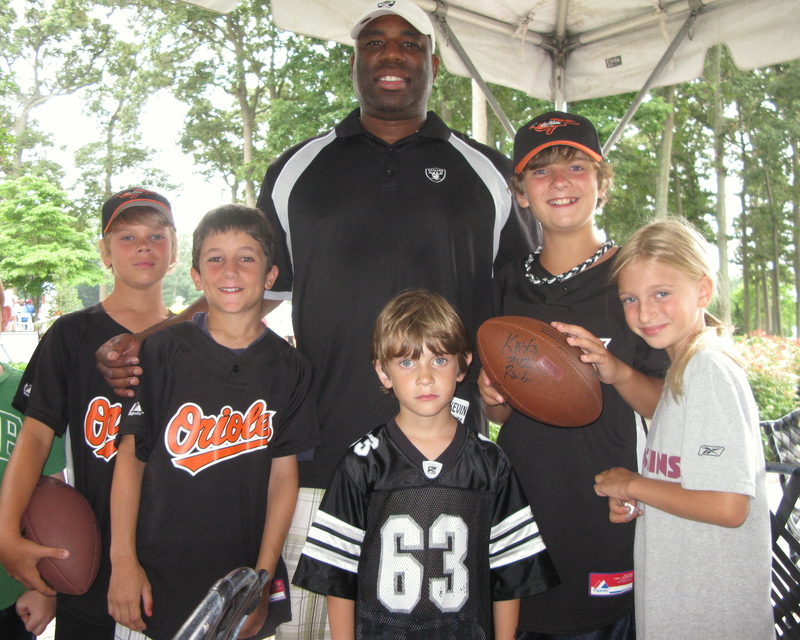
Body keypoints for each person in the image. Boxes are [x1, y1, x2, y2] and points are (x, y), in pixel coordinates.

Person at [95, 2, 537, 637]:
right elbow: (249, 285)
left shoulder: (487, 173)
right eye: (374, 43)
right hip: (319, 464)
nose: (391, 54)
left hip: (451, 462)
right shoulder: (297, 170)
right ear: (353, 61)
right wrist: (154, 338)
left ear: (434, 64)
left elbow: (523, 298)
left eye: (410, 45)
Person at [479, 112, 668, 639]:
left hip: (606, 516)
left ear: (602, 184)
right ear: (521, 193)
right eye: (540, 171)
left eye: (576, 167)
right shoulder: (505, 285)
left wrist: (614, 370)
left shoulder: (635, 278)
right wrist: (493, 394)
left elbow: (664, 406)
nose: (559, 182)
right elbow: (497, 414)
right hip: (519, 517)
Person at [293, 289, 558, 640]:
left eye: (439, 359)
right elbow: (337, 577)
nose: (425, 377)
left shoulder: (490, 464)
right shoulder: (361, 464)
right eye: (406, 362)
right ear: (382, 372)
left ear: (463, 364)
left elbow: (511, 574)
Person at [108, 204, 320, 640]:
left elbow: (284, 477)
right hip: (156, 572)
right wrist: (123, 561)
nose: (230, 270)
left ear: (270, 275)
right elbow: (131, 457)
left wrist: (261, 581)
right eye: (215, 258)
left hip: (241, 574)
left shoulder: (291, 367)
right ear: (196, 276)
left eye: (246, 257)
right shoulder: (163, 352)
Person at [0, 188, 178, 640]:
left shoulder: (193, 342)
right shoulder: (70, 335)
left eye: (158, 236)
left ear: (175, 251)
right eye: (127, 236)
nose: (144, 246)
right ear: (103, 252)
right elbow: (36, 438)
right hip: (92, 554)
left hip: (171, 552)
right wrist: (6, 531)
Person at [593, 218, 773, 639]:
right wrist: (646, 501)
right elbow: (692, 482)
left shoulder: (708, 370)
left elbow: (728, 506)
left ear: (704, 290)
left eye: (662, 294)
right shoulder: (684, 371)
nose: (644, 312)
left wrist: (634, 484)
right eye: (630, 299)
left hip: (712, 619)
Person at [0, 276, 66, 640]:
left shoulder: (26, 396)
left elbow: (52, 496)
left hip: (12, 592)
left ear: (6, 315)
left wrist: (44, 587)